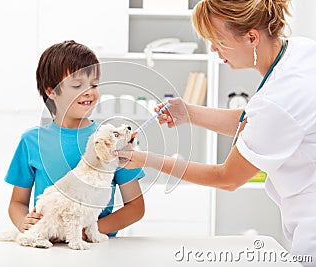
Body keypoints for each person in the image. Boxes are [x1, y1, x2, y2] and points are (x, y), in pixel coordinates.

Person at [117, 0, 316, 264]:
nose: (213, 49)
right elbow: (256, 122)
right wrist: (188, 112)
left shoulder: (279, 100)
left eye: (219, 41)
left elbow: (226, 178)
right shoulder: (301, 49)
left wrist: (143, 159)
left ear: (251, 37)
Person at [5, 40, 145, 239]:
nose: (89, 91)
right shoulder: (32, 141)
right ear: (51, 91)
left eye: (94, 84)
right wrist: (22, 221)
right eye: (77, 85)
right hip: (47, 250)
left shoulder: (111, 141)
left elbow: (135, 207)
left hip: (96, 250)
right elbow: (17, 202)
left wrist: (87, 231)